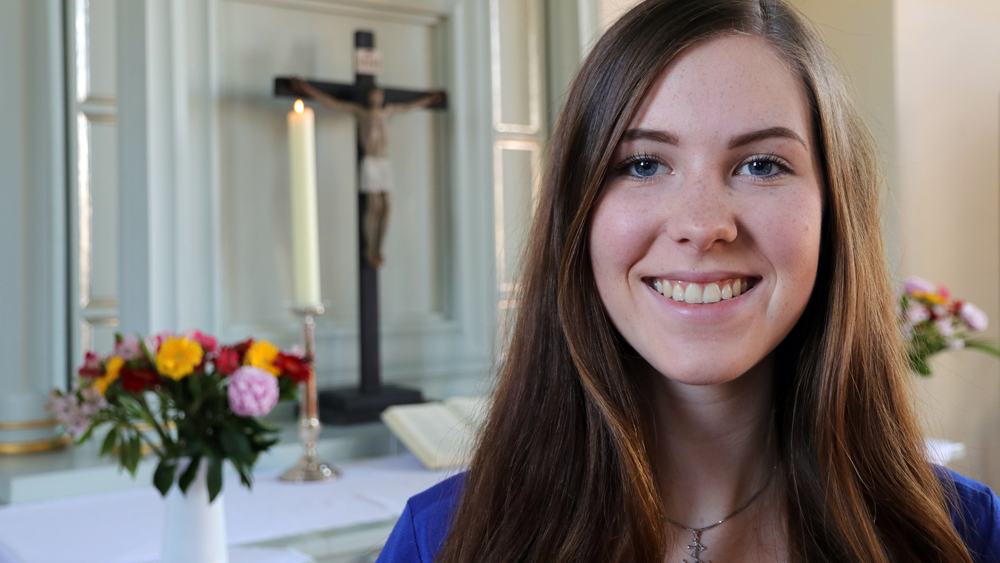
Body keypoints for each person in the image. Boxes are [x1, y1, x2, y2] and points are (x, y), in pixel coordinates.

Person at [378, 0, 1000, 561]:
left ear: (833, 213)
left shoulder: (965, 534)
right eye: (644, 164)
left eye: (762, 165)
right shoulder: (443, 540)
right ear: (578, 214)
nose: (703, 226)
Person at [291, 78, 445, 268]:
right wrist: (308, 90)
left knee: (386, 206)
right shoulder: (361, 113)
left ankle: (379, 248)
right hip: (371, 160)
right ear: (368, 98)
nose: (376, 99)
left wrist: (428, 100)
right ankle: (370, 247)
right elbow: (335, 104)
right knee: (374, 206)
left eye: (379, 96)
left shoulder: (387, 112)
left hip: (384, 160)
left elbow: (408, 107)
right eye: (373, 96)